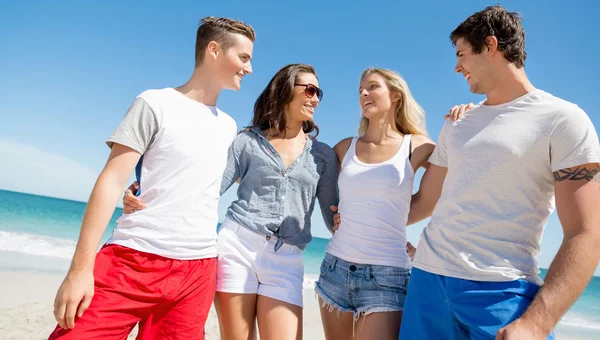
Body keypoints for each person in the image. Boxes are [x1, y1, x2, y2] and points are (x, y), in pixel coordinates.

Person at [48, 17, 256, 340]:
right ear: (214, 50)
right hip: (133, 258)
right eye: (244, 58)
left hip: (197, 271)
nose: (249, 68)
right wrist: (79, 270)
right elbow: (111, 181)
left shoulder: (230, 128)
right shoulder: (155, 103)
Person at [400, 5, 600, 340]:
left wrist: (538, 323)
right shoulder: (458, 123)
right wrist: (358, 216)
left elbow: (586, 232)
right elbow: (423, 203)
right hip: (427, 284)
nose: (456, 66)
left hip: (502, 292)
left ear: (490, 46)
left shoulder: (564, 119)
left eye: (462, 54)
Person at [124, 63, 340, 340]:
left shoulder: (322, 155)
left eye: (319, 92)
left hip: (286, 258)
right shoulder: (247, 141)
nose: (315, 98)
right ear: (286, 89)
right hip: (237, 247)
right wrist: (145, 191)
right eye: (309, 89)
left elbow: (333, 214)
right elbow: (207, 186)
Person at [316, 67, 458, 340]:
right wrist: (331, 215)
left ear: (395, 95)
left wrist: (461, 120)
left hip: (387, 276)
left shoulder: (417, 146)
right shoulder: (345, 147)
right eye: (360, 91)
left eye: (372, 87)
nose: (364, 94)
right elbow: (318, 186)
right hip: (334, 269)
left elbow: (437, 195)